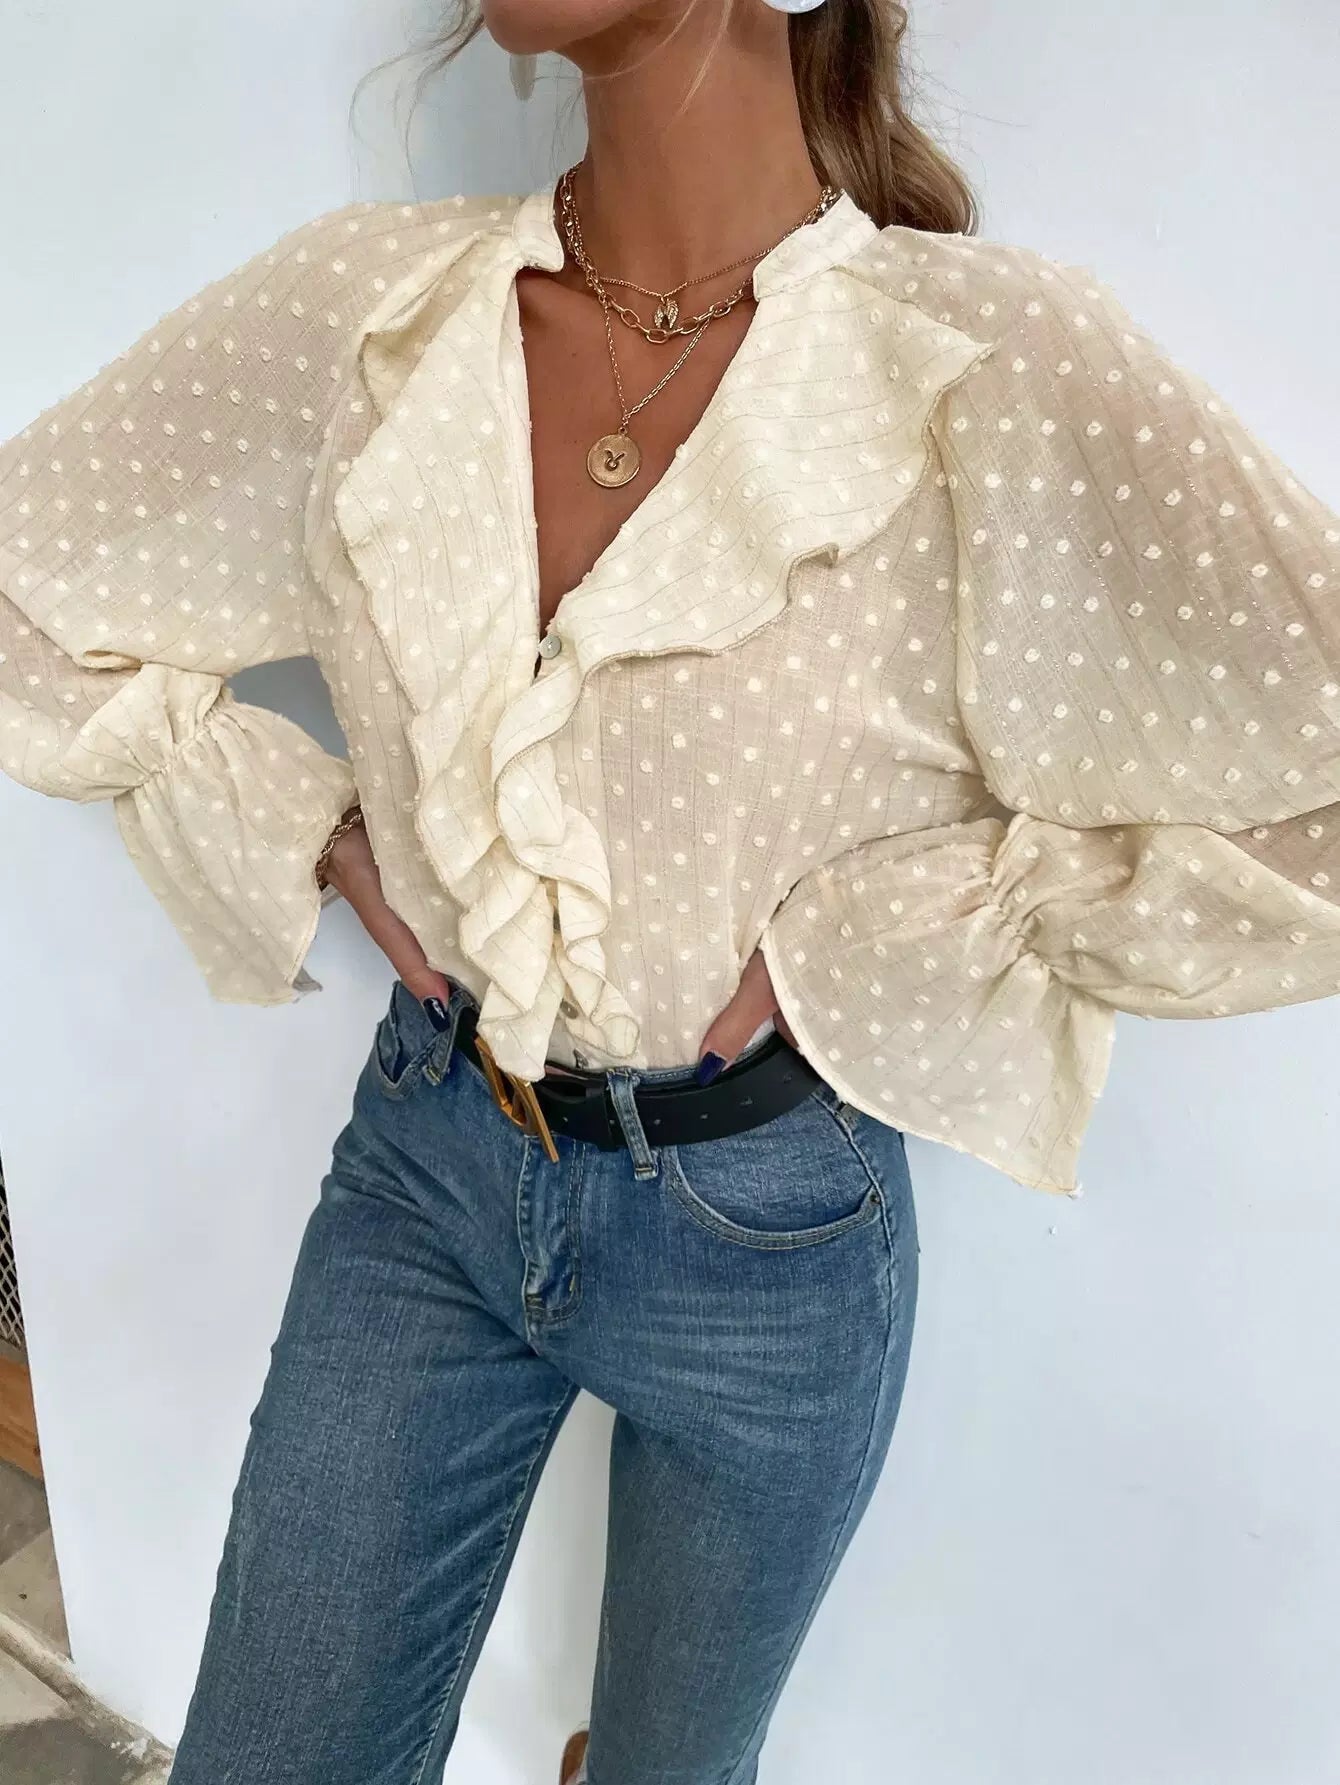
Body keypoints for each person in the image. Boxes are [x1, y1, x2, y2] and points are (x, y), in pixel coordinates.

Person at [2, 1, 1338, 1781]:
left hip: (771, 1224)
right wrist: (300, 820)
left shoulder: (973, 361)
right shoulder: (376, 315)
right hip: (432, 1161)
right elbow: (26, 574)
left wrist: (929, 921)